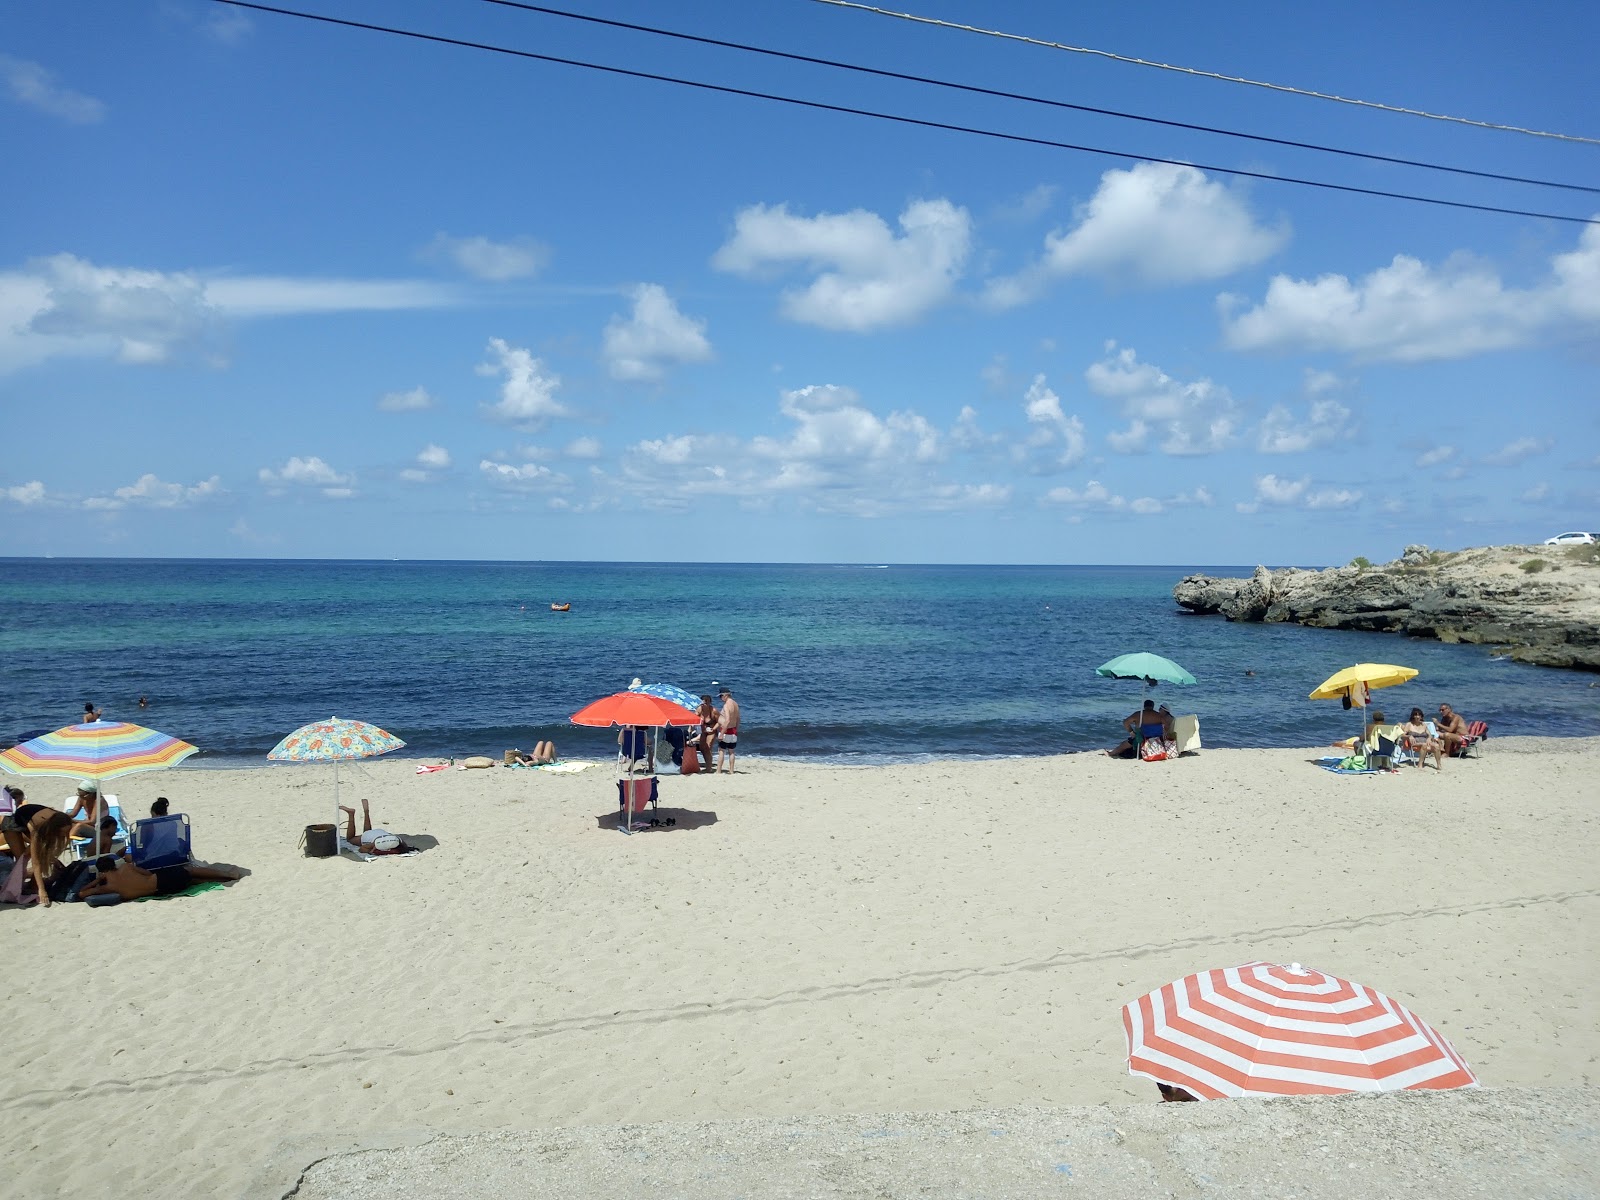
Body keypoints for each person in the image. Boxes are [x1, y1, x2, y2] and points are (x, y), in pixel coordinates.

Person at [1, 803, 78, 907]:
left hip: (28, 818)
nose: (65, 835)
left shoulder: (63, 819)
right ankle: (15, 888)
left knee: (42, 853)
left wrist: (53, 859)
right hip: (11, 822)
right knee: (22, 858)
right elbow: (36, 862)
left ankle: (33, 886)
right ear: (55, 829)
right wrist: (42, 891)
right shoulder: (38, 829)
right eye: (63, 832)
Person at [78, 859, 243, 901]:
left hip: (162, 891)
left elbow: (82, 893)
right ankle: (228, 875)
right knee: (189, 871)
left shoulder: (108, 888)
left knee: (190, 880)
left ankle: (222, 879)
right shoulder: (127, 867)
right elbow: (147, 873)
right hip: (161, 880)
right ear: (113, 864)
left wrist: (97, 881)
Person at [339, 799, 407, 855]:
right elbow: (362, 849)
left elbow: (404, 844)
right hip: (374, 838)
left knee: (367, 833)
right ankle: (351, 814)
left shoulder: (397, 841)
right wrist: (372, 851)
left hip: (380, 832)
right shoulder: (378, 844)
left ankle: (366, 811)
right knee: (350, 839)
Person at [716, 688, 740, 773]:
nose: (721, 698)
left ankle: (718, 770)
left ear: (725, 695)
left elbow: (727, 720)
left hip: (726, 731)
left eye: (721, 696)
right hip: (733, 731)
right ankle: (731, 770)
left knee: (721, 751)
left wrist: (722, 733)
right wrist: (736, 730)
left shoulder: (726, 705)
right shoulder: (736, 704)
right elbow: (738, 719)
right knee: (731, 751)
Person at [696, 695, 718, 768]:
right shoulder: (700, 709)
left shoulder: (713, 711)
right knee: (702, 748)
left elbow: (720, 722)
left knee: (708, 747)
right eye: (703, 701)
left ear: (710, 702)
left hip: (712, 731)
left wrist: (714, 728)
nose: (705, 703)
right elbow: (693, 718)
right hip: (703, 731)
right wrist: (691, 727)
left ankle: (709, 767)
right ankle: (708, 763)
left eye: (707, 701)